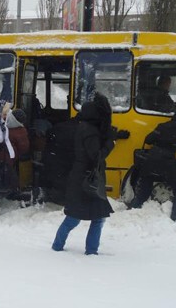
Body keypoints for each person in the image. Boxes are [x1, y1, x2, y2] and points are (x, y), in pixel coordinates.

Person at [52, 93, 129, 255]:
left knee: (82, 216)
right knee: (80, 217)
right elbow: (97, 155)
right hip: (86, 180)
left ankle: (61, 246)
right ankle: (86, 250)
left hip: (82, 177)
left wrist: (113, 136)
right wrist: (111, 143)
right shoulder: (90, 131)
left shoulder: (84, 127)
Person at [0, 108, 30, 201]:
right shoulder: (20, 130)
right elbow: (24, 148)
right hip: (8, 159)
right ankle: (10, 196)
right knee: (10, 180)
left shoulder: (1, 124)